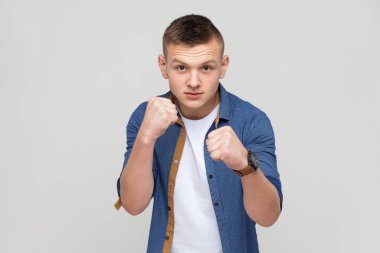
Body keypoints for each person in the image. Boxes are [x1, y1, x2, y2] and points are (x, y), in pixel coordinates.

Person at [114, 14, 283, 253]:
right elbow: (132, 205)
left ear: (223, 66)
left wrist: (246, 165)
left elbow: (269, 216)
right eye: (181, 67)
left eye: (205, 68)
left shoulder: (251, 121)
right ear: (163, 67)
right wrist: (145, 137)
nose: (194, 82)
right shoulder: (146, 116)